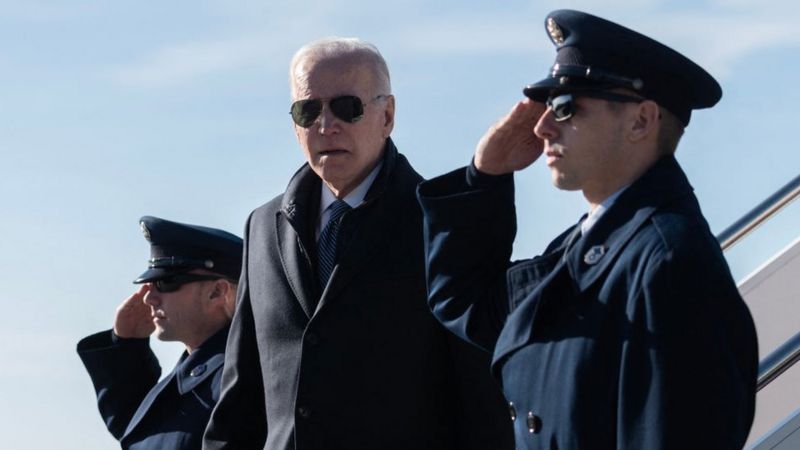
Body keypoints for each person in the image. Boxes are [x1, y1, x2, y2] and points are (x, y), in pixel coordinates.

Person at [416, 10, 759, 450]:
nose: (541, 127)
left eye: (565, 106)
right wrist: (484, 177)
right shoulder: (590, 247)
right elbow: (469, 306)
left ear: (640, 121)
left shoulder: (670, 264)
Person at [202, 37, 514, 450]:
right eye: (308, 110)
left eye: (347, 107)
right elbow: (241, 400)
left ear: (387, 116)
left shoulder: (437, 225)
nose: (326, 125)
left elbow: (481, 404)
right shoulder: (262, 227)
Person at [77, 216, 243, 450]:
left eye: (166, 283)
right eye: (149, 285)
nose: (148, 298)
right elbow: (142, 432)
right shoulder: (201, 372)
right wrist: (127, 346)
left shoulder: (242, 377)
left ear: (217, 292)